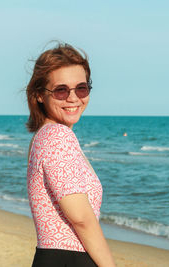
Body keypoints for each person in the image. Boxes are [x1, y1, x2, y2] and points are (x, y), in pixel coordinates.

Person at [26, 42, 116, 267]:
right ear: (39, 94)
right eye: (61, 90)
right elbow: (82, 219)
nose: (73, 98)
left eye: (81, 88)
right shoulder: (57, 137)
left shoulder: (43, 136)